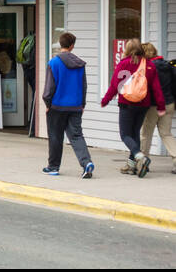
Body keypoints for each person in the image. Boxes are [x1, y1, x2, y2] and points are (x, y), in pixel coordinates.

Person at [101, 38, 167, 177]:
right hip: (143, 104)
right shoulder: (149, 65)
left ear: (128, 49)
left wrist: (106, 100)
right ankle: (132, 166)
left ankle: (140, 156)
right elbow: (156, 88)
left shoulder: (124, 64)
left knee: (125, 134)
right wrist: (161, 105)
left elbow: (115, 85)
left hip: (127, 104)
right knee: (135, 132)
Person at [41, 33, 94, 179]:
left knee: (55, 136)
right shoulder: (80, 64)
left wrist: (47, 103)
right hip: (75, 106)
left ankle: (53, 167)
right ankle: (86, 163)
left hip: (57, 106)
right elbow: (84, 86)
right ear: (72, 46)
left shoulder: (54, 63)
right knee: (76, 136)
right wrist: (82, 104)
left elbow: (49, 87)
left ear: (60, 44)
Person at [139, 43, 176, 172]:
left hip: (153, 106)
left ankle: (143, 162)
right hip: (169, 103)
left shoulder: (148, 67)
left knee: (146, 134)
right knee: (166, 133)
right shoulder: (168, 66)